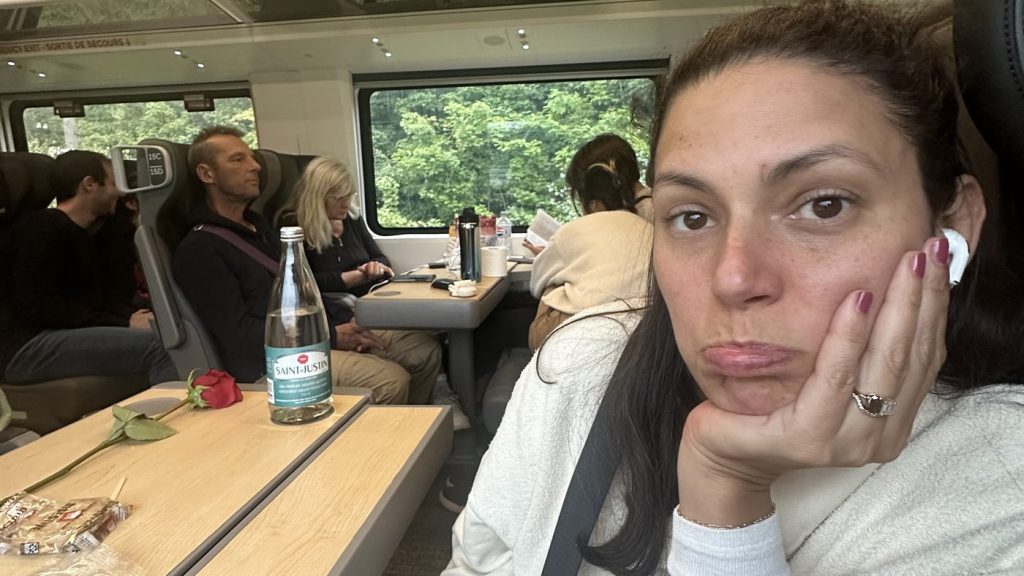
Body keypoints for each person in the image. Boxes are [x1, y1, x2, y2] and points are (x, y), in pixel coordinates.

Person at [446, 1, 1024, 574]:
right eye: (692, 217)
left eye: (824, 206)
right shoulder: (578, 368)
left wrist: (726, 491)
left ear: (952, 227)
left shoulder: (1000, 486)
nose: (734, 278)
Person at [166, 126, 440, 404]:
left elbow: (306, 293)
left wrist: (346, 322)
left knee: (421, 352)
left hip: (311, 335)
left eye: (252, 157)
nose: (255, 166)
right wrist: (331, 337)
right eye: (238, 160)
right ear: (207, 174)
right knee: (389, 380)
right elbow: (239, 335)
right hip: (270, 364)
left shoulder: (259, 231)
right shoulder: (201, 249)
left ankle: (411, 434)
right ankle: (374, 445)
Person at [0, 150, 177, 386]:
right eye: (113, 183)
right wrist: (124, 324)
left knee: (170, 334)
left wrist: (133, 317)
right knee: (161, 347)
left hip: (50, 335)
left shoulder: (83, 234)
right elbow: (38, 305)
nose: (119, 192)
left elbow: (94, 301)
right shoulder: (41, 229)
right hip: (26, 346)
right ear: (90, 184)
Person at [281, 156, 444, 407]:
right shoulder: (293, 227)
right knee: (402, 368)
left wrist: (374, 266)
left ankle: (415, 415)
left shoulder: (351, 220)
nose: (346, 202)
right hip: (336, 312)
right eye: (338, 197)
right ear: (319, 195)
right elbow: (306, 284)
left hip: (366, 304)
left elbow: (380, 256)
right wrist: (354, 277)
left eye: (349, 195)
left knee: (428, 349)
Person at [526, 134, 653, 349]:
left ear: (593, 202)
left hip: (582, 330)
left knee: (554, 285)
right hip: (642, 329)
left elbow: (536, 283)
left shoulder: (649, 214)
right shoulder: (651, 219)